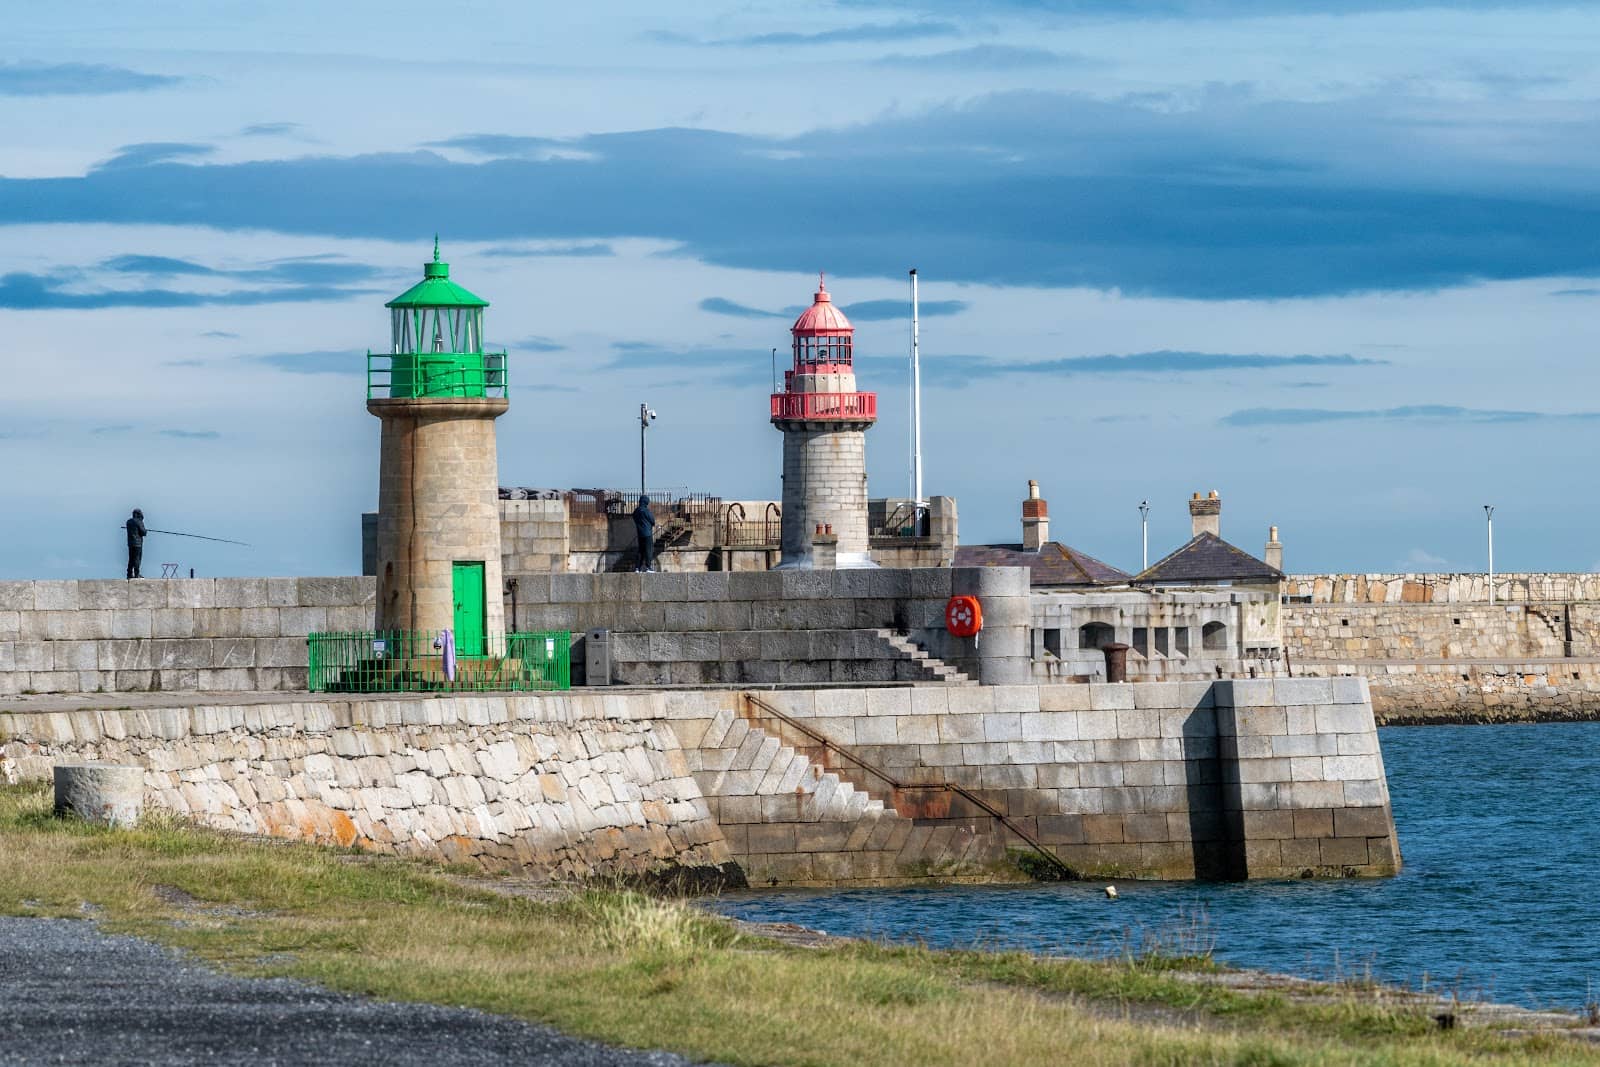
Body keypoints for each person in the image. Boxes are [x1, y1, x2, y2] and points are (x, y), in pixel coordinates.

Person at [632, 496, 656, 573]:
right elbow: (652, 520)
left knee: (640, 551)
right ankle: (648, 567)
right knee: (649, 550)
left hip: (640, 533)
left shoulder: (636, 511)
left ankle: (637, 568)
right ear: (646, 502)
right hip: (647, 534)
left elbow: (634, 518)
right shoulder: (646, 511)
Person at [125, 508, 146, 579]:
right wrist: (145, 530)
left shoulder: (128, 522)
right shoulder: (139, 522)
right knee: (137, 559)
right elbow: (143, 532)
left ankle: (129, 574)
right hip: (138, 544)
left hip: (130, 543)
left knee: (131, 559)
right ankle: (137, 574)